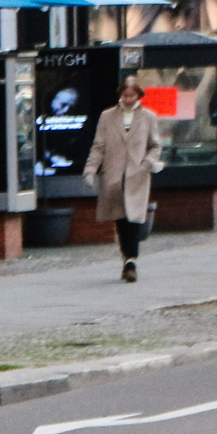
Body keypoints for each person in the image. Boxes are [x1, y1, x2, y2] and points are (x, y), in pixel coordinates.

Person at [86, 80, 166, 283]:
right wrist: (91, 169)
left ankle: (131, 262)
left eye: (132, 96)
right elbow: (98, 146)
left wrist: (147, 163)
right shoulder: (107, 117)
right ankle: (126, 257)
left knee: (134, 219)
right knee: (120, 219)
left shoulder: (148, 117)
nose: (128, 99)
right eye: (125, 95)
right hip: (114, 175)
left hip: (137, 175)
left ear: (139, 96)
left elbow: (155, 145)